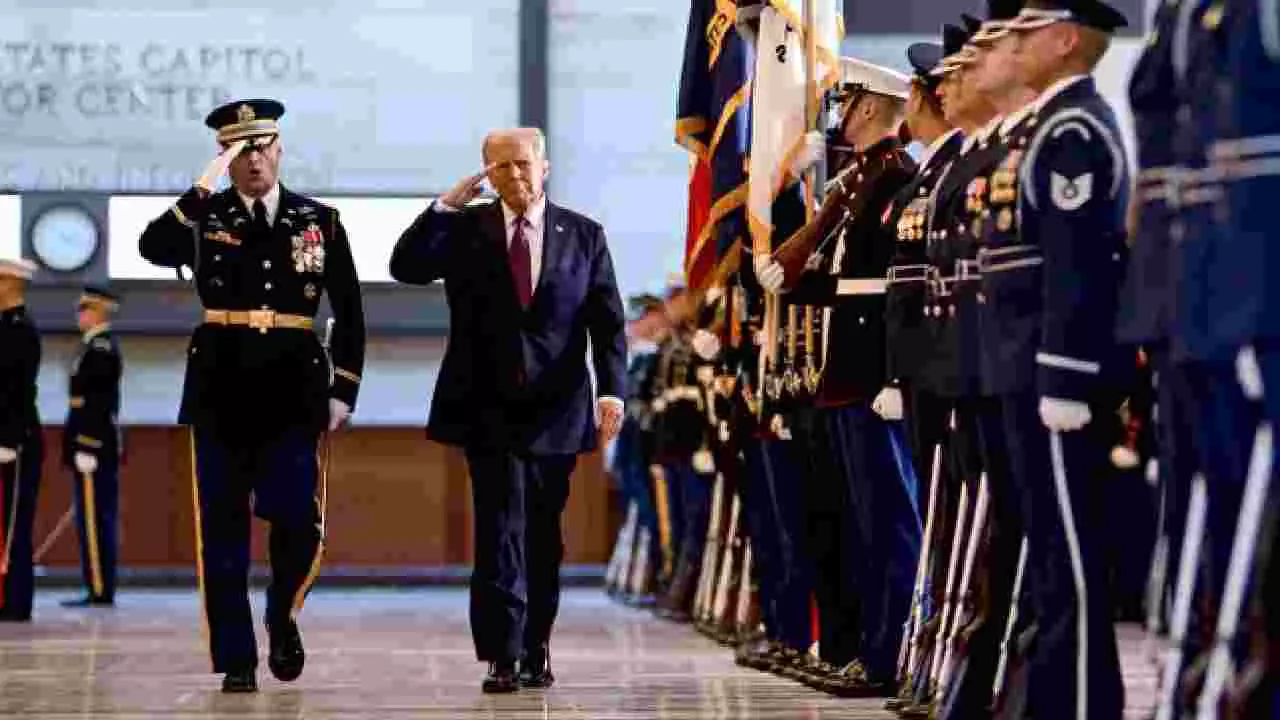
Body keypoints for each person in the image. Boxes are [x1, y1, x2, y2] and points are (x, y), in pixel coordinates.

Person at [139, 98, 367, 693]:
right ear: (226, 159)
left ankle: (281, 612)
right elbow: (151, 246)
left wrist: (344, 389)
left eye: (262, 145)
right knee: (221, 529)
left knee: (296, 516)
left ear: (280, 149)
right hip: (220, 387)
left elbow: (350, 311)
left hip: (295, 388)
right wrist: (200, 187)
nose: (254, 159)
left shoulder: (319, 220)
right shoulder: (206, 216)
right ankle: (237, 658)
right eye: (239, 150)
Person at [389, 127, 627, 694]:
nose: (513, 177)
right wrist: (444, 206)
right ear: (485, 174)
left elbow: (607, 321)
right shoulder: (465, 228)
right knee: (500, 530)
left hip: (557, 409)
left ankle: (536, 644)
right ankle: (502, 653)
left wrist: (612, 391)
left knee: (543, 534)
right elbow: (406, 266)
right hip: (486, 406)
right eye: (500, 168)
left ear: (544, 166)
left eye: (522, 165)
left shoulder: (584, 235)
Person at [975, 2, 1133, 717]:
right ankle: (1058, 699)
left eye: (1025, 31)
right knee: (1048, 558)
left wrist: (1065, 374)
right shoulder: (1046, 127)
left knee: (1068, 559)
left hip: (1053, 375)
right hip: (1022, 368)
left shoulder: (1072, 131)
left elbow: (1076, 264)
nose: (1010, 43)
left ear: (1066, 40)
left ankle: (1078, 705)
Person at [757, 55, 921, 697]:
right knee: (859, 524)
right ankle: (868, 649)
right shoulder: (862, 181)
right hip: (844, 374)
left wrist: (892, 374)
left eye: (848, 104)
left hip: (871, 375)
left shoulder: (895, 178)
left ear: (873, 108)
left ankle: (891, 654)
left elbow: (894, 290)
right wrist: (785, 282)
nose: (840, 116)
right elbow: (848, 286)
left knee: (889, 524)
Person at [61, 285, 124, 608]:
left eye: (85, 309)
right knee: (91, 519)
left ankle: (100, 587)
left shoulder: (101, 348)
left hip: (94, 446)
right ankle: (95, 584)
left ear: (99, 312)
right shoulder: (91, 347)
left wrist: (87, 445)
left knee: (96, 519)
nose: (80, 315)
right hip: (91, 445)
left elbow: (97, 404)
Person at [0, 256, 41, 623]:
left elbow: (17, 389)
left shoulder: (20, 329)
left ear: (10, 284)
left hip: (16, 441)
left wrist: (9, 438)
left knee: (13, 524)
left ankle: (15, 602)